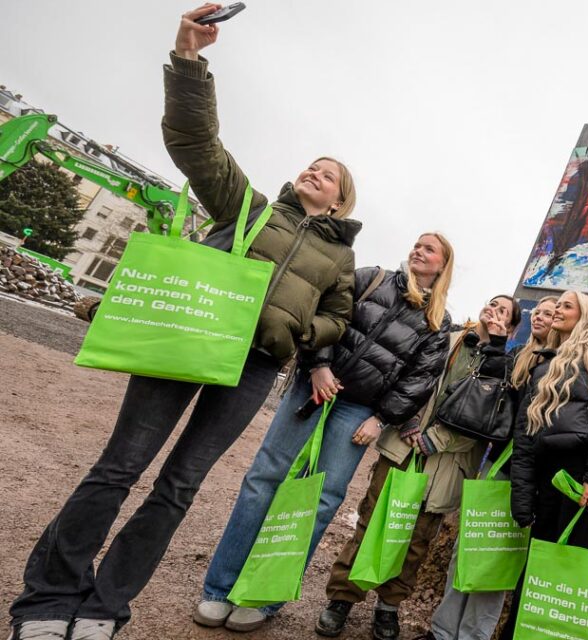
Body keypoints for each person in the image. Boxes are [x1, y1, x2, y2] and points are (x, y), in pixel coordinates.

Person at [7, 5, 361, 640]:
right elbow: (197, 143)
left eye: (329, 174)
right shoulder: (249, 205)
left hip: (251, 368)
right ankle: (47, 599)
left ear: (341, 199)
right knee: (119, 467)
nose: (316, 171)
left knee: (178, 486)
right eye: (312, 164)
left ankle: (104, 606)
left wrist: (299, 333)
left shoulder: (341, 258)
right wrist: (189, 58)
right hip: (190, 338)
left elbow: (339, 317)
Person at [193, 232, 456, 632]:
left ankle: (263, 596)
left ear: (442, 265)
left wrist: (381, 419)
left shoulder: (438, 322)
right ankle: (219, 588)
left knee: (321, 498)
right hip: (313, 387)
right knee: (264, 478)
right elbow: (324, 316)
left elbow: (419, 379)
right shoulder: (372, 278)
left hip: (358, 410)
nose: (419, 250)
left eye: (430, 249)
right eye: (417, 244)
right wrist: (318, 366)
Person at [317, 295, 522, 640]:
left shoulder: (506, 366)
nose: (494, 311)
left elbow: (488, 421)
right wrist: (407, 418)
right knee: (373, 521)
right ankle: (342, 599)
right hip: (404, 446)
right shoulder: (448, 338)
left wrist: (437, 440)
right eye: (492, 303)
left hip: (448, 464)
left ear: (513, 327)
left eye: (504, 311)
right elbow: (409, 375)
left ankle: (388, 606)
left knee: (417, 540)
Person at [414, 296, 557, 640]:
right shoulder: (517, 355)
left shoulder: (562, 364)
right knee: (468, 550)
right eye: (538, 311)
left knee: (496, 563)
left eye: (551, 313)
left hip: (528, 478)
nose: (541, 316)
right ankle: (442, 632)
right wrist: (497, 345)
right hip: (496, 466)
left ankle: (472, 636)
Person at [503, 291, 588, 639]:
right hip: (547, 483)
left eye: (566, 305)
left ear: (585, 314)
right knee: (538, 568)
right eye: (556, 304)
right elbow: (526, 433)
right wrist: (522, 495)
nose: (557, 310)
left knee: (572, 573)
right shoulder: (547, 362)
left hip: (582, 486)